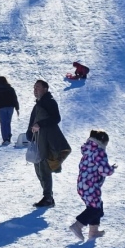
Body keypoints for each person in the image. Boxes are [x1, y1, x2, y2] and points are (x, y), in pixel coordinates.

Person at [27, 80, 71, 208]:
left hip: (47, 141)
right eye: (34, 87)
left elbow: (56, 118)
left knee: (44, 168)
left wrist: (40, 124)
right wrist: (29, 134)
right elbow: (33, 121)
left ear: (45, 89)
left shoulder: (49, 102)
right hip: (38, 140)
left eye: (38, 87)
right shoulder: (38, 104)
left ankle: (48, 198)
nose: (35, 90)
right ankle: (48, 196)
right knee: (38, 168)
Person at [70, 130, 117, 241]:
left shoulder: (88, 150)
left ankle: (94, 231)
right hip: (91, 185)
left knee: (96, 206)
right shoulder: (99, 151)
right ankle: (77, 226)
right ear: (102, 141)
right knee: (95, 209)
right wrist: (111, 169)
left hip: (82, 185)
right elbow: (104, 170)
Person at [0, 76, 20, 145]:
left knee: (3, 123)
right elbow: (15, 98)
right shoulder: (10, 88)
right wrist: (17, 108)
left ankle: (5, 138)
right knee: (8, 122)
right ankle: (8, 136)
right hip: (10, 107)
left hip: (1, 107)